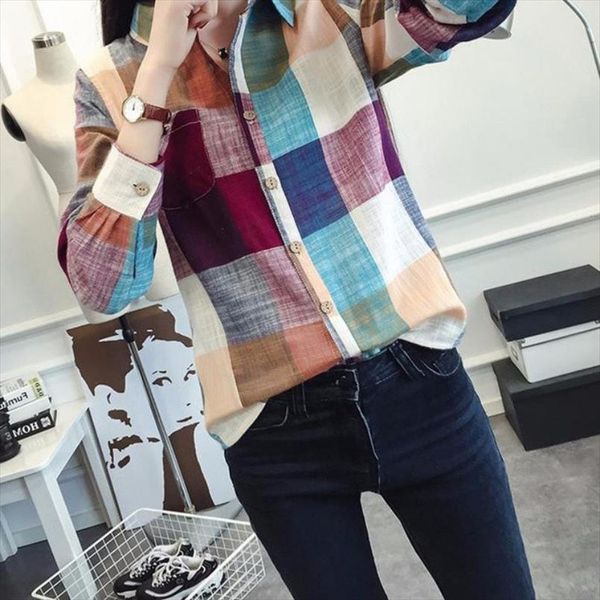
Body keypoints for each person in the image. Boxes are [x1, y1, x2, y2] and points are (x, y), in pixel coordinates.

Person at [57, 1, 536, 598]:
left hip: (418, 379)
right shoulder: (111, 82)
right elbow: (102, 285)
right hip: (275, 433)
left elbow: (458, 10)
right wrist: (154, 81)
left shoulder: (331, 11)